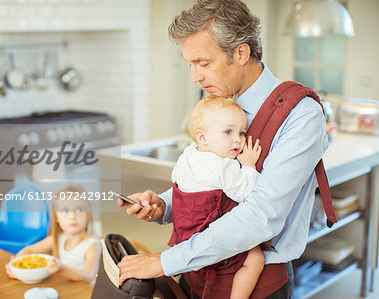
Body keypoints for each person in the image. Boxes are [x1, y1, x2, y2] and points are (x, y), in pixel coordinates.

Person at [117, 0, 329, 298]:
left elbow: (262, 215)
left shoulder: (301, 115)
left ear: (241, 53)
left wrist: (166, 261)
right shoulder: (220, 106)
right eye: (190, 64)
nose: (195, 77)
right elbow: (211, 177)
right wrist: (166, 205)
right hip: (198, 270)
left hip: (255, 281)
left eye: (203, 63)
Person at [170, 94, 264, 299]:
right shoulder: (224, 166)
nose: (238, 140)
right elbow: (246, 193)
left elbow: (176, 178)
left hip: (183, 234)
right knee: (256, 259)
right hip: (205, 236)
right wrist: (248, 166)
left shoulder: (188, 154)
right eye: (228, 132)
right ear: (202, 137)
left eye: (242, 132)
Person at [6, 185, 101, 285]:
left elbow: (88, 276)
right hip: (66, 287)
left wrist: (62, 269)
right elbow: (30, 250)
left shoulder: (92, 245)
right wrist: (15, 265)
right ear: (56, 217)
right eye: (65, 211)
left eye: (78, 210)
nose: (72, 216)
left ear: (88, 214)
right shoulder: (58, 238)